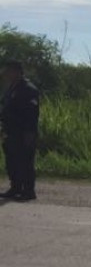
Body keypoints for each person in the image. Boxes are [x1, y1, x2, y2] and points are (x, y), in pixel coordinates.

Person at [0, 61, 40, 201]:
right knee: (12, 161)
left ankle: (28, 191)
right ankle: (15, 187)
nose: (5, 74)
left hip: (23, 132)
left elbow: (32, 113)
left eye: (8, 71)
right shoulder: (12, 88)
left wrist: (29, 132)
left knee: (25, 161)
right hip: (11, 132)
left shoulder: (28, 89)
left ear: (17, 71)